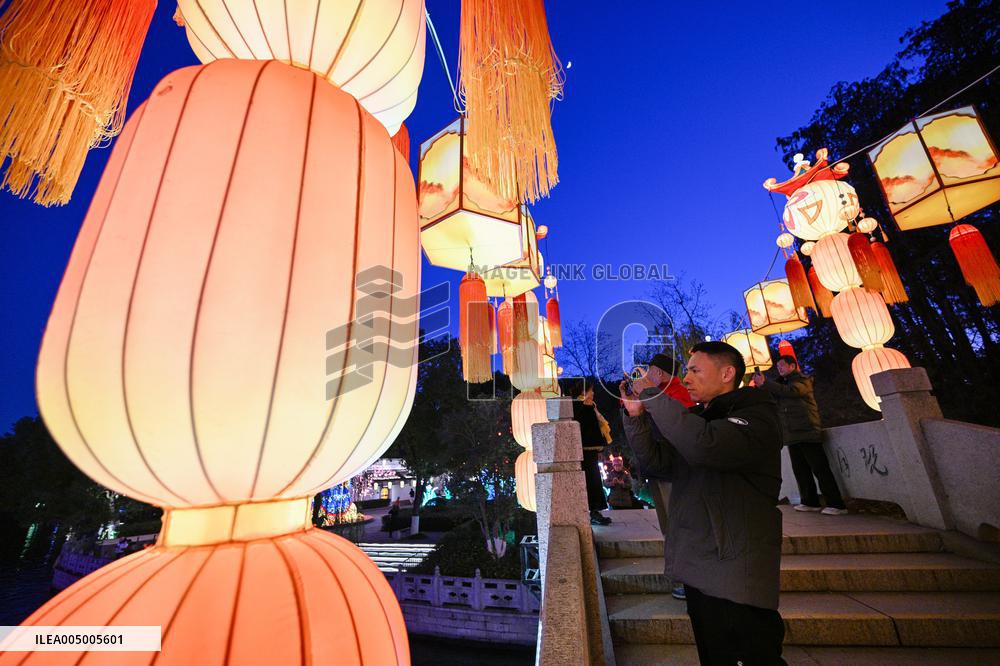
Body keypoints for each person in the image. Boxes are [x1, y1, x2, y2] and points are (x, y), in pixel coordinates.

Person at [621, 341, 786, 666]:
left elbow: (706, 446)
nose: (687, 379)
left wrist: (654, 395)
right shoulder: (699, 419)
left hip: (736, 566)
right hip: (699, 566)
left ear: (727, 373)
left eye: (695, 370)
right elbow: (657, 462)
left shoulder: (756, 417)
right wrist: (636, 417)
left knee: (755, 656)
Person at [752, 355, 847, 515]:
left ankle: (836, 504)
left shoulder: (802, 380)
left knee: (820, 468)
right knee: (801, 471)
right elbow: (773, 396)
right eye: (778, 366)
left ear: (792, 366)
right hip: (792, 434)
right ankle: (810, 501)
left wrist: (767, 383)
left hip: (807, 431)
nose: (779, 369)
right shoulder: (781, 384)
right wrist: (762, 386)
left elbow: (792, 392)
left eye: (782, 366)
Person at [567, 377, 613, 526]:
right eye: (591, 390)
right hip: (584, 450)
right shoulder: (579, 406)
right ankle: (593, 511)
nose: (593, 393)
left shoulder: (588, 405)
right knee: (591, 480)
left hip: (589, 450)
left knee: (593, 479)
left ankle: (595, 510)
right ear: (584, 391)